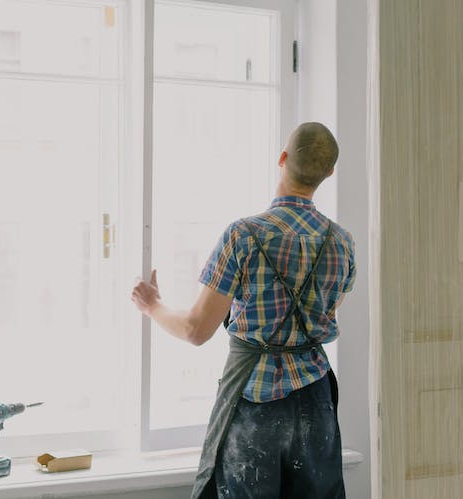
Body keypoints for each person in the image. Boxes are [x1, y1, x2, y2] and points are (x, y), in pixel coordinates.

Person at [131, 122, 355, 499]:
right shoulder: (342, 242)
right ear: (329, 172)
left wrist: (152, 305)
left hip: (255, 403)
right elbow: (325, 313)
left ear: (282, 158)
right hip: (314, 403)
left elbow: (195, 330)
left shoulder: (244, 236)